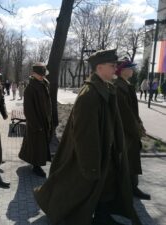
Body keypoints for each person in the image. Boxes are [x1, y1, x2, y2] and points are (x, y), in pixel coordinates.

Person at [33, 50, 141, 225]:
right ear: (99, 67)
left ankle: (102, 216)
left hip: (107, 151)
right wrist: (90, 166)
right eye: (112, 66)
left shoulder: (105, 87)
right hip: (91, 155)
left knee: (107, 185)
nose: (116, 69)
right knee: (77, 187)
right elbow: (84, 135)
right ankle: (53, 204)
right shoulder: (89, 94)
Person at [114, 59, 151, 200]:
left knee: (131, 159)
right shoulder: (119, 86)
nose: (132, 70)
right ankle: (126, 189)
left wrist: (139, 124)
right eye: (130, 68)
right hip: (125, 131)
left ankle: (132, 187)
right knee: (127, 160)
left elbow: (132, 112)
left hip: (130, 130)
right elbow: (125, 113)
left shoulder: (125, 84)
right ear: (122, 70)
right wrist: (136, 129)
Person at [18, 62, 52, 177]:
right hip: (36, 122)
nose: (42, 76)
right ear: (33, 74)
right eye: (39, 74)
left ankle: (34, 159)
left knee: (36, 144)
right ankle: (36, 166)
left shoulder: (44, 84)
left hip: (44, 120)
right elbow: (28, 110)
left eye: (43, 74)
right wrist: (36, 125)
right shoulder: (30, 89)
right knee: (36, 144)